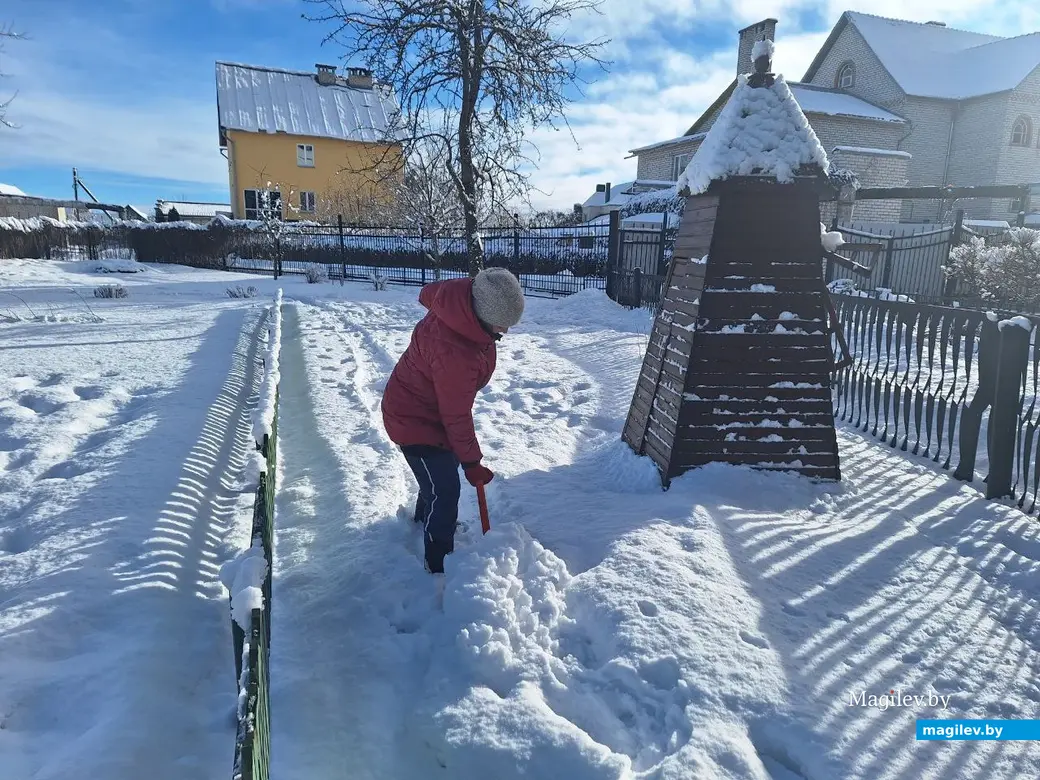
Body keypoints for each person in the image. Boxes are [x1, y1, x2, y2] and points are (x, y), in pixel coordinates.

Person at [381, 268, 525, 573]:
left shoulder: (460, 308)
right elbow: (455, 414)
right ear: (482, 314)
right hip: (412, 419)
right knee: (445, 489)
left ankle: (424, 520)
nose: (506, 332)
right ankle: (437, 561)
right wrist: (471, 463)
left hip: (426, 410)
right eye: (501, 325)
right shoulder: (454, 350)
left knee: (437, 479)